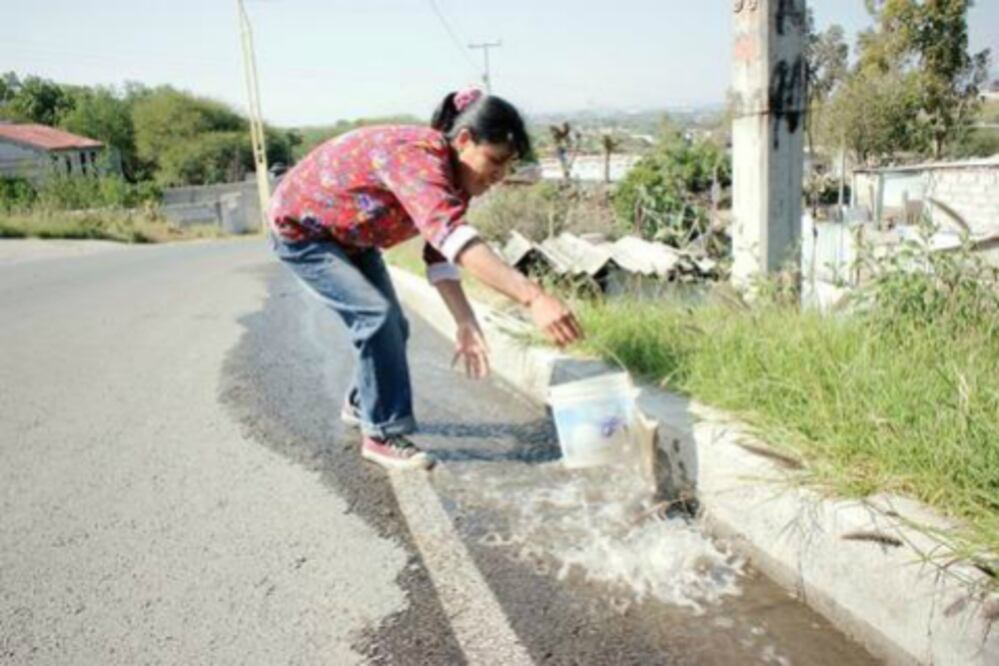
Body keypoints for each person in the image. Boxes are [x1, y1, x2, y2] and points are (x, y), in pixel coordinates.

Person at [268, 88, 583, 471]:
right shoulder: (417, 154)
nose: (498, 176)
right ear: (464, 140)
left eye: (507, 167)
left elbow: (441, 253)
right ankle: (381, 432)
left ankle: (364, 402)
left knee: (393, 327)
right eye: (495, 161)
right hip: (304, 232)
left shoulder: (455, 180)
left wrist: (465, 320)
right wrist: (533, 298)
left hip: (354, 238)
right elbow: (452, 235)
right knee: (375, 317)